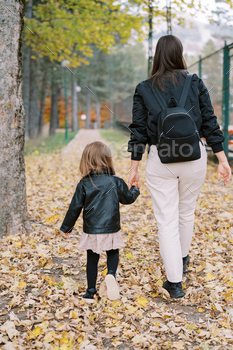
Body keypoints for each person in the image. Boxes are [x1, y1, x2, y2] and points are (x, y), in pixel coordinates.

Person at [127, 35, 231, 298]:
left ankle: (174, 283)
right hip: (194, 158)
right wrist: (222, 160)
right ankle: (182, 260)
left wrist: (133, 168)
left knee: (166, 220)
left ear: (156, 57)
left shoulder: (144, 88)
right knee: (186, 213)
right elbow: (210, 122)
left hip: (160, 160)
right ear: (180, 54)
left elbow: (138, 131)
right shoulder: (194, 83)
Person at [60, 141, 140, 303]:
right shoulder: (116, 181)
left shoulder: (84, 183)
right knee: (113, 252)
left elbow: (74, 207)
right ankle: (111, 274)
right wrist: (135, 190)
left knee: (92, 257)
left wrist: (66, 227)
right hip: (111, 227)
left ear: (86, 160)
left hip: (92, 228)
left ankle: (90, 292)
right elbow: (128, 199)